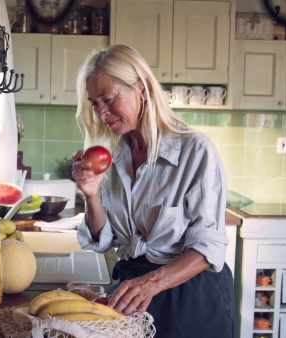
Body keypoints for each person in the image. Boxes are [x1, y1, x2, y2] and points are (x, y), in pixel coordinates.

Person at [71, 44, 235, 338]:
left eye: (108, 99)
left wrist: (151, 283)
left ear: (143, 88)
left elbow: (209, 247)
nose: (101, 112)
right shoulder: (114, 156)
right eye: (95, 104)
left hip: (190, 297)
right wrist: (91, 193)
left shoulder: (195, 151)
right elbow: (104, 239)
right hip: (133, 293)